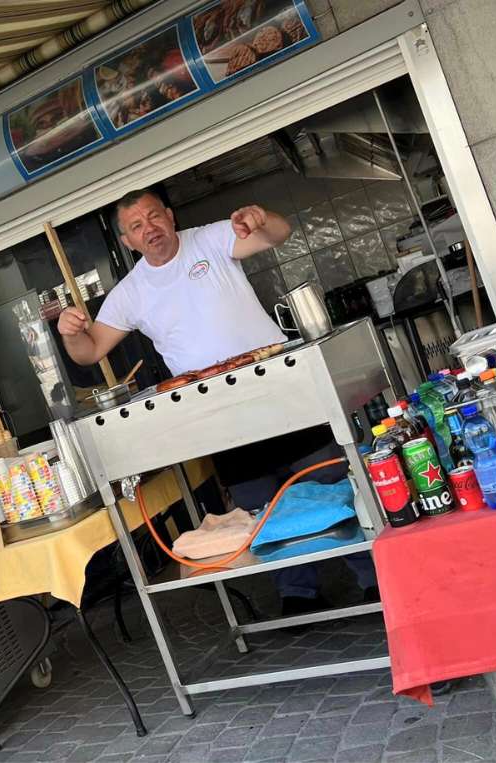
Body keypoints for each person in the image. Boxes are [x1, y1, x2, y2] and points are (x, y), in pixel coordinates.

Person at [57, 188, 376, 613]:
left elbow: (276, 235)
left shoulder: (208, 239)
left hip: (279, 385)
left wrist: (263, 217)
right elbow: (91, 351)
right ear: (127, 241)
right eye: (136, 225)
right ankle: (298, 593)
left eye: (154, 216)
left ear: (170, 217)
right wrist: (70, 332)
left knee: (329, 484)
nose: (148, 228)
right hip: (215, 409)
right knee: (258, 504)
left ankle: (373, 574)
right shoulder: (131, 292)